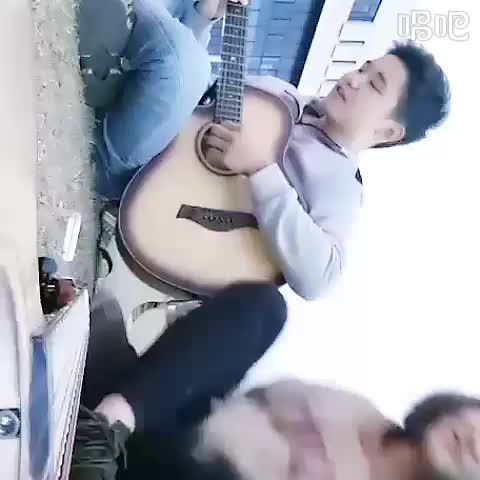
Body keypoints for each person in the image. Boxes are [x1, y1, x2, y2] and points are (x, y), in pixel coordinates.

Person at [92, 0, 451, 300]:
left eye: (374, 85)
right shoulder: (281, 94)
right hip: (145, 134)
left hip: (138, 184)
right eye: (362, 68)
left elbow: (321, 277)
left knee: (186, 60)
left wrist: (262, 170)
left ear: (387, 131)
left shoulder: (340, 184)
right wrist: (204, 17)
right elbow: (192, 101)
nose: (353, 78)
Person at [70, 281, 480, 480]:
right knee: (265, 309)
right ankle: (104, 424)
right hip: (155, 434)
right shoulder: (364, 414)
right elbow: (260, 397)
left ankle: (100, 369)